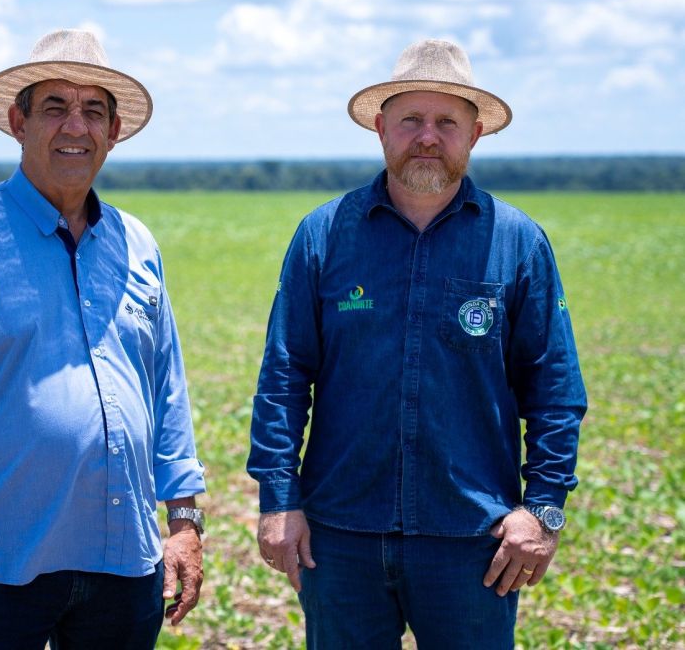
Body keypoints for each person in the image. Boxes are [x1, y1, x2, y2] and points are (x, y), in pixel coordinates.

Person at [0, 29, 206, 650]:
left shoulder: (137, 244)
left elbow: (167, 392)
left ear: (113, 132)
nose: (75, 126)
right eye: (55, 106)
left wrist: (184, 522)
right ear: (17, 121)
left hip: (124, 563)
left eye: (94, 111)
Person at [248, 39, 587, 648]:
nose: (428, 137)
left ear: (474, 134)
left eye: (446, 123)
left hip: (474, 541)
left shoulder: (518, 242)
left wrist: (543, 510)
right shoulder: (323, 235)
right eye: (411, 120)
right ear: (381, 128)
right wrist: (278, 499)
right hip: (340, 537)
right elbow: (284, 377)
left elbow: (555, 390)